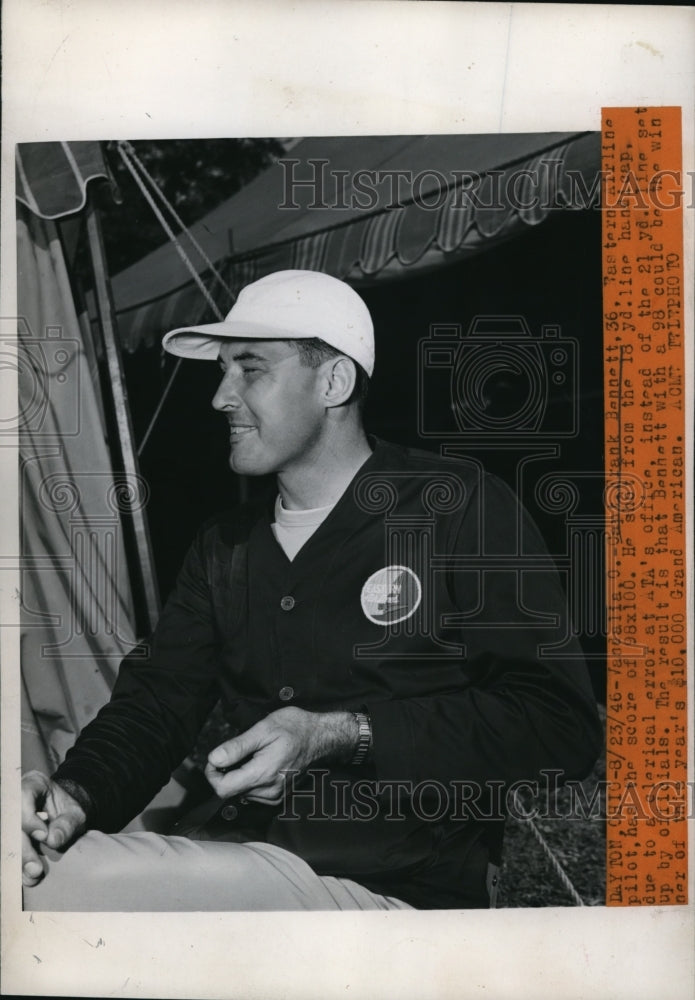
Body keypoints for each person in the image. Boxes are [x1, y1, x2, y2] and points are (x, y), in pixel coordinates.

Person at [22, 269, 602, 911]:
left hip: (396, 894)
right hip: (245, 861)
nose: (220, 397)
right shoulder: (225, 544)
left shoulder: (455, 505)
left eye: (250, 369)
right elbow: (155, 705)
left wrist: (341, 733)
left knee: (53, 886)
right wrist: (72, 799)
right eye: (222, 371)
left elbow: (557, 725)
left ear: (335, 381)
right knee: (30, 859)